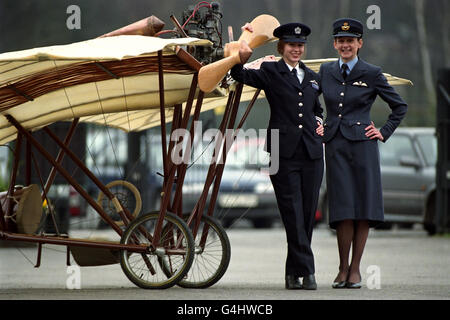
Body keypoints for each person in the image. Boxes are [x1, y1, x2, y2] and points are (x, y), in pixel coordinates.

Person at [230, 22, 324, 290]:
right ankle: (308, 271)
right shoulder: (270, 70)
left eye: (300, 45)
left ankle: (292, 273)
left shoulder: (312, 76)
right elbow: (239, 74)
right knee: (291, 213)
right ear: (282, 47)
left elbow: (317, 109)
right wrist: (242, 46)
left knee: (306, 215)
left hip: (312, 153)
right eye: (292, 45)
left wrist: (319, 121)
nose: (296, 49)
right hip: (281, 152)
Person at [318, 18, 408, 288]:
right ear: (335, 44)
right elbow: (311, 101)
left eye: (351, 40)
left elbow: (399, 106)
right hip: (335, 146)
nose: (345, 45)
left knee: (362, 208)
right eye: (341, 40)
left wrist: (383, 131)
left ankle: (356, 269)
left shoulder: (372, 72)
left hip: (363, 148)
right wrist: (317, 121)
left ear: (360, 44)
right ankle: (342, 268)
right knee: (343, 208)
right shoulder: (325, 71)